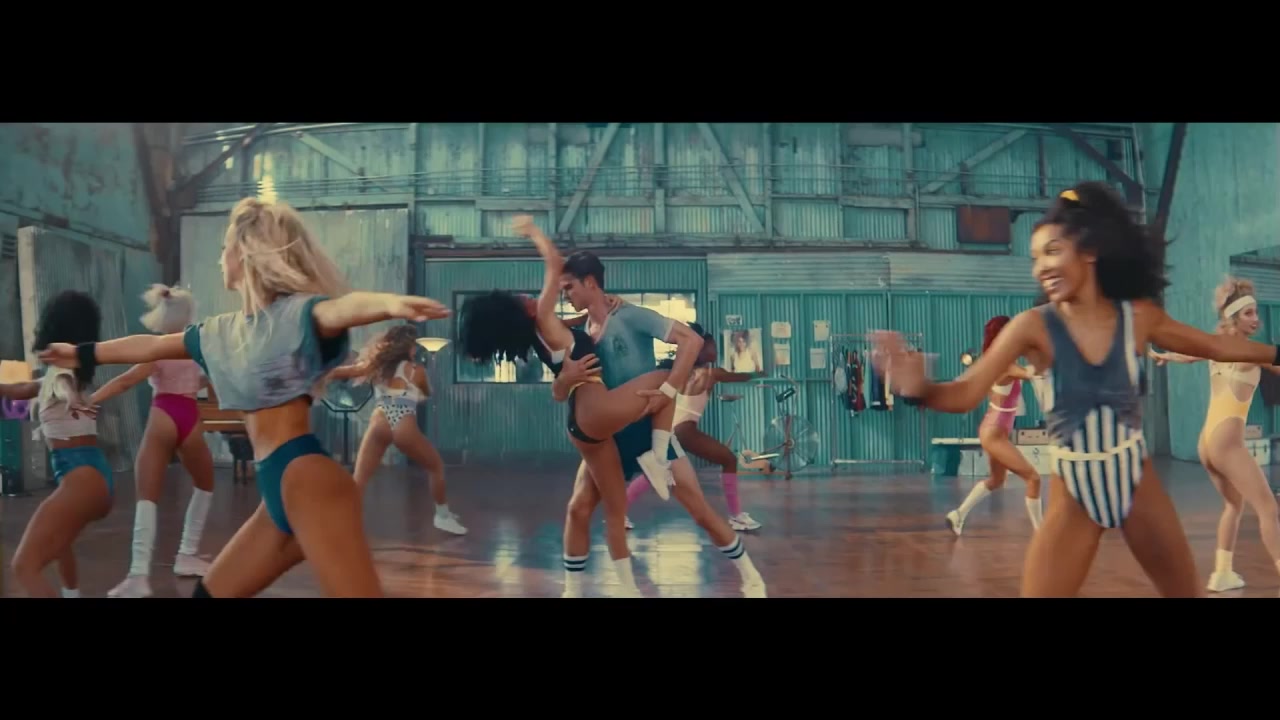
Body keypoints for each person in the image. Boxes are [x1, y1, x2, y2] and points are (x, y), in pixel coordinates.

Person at [870, 181, 1280, 598]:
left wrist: (1276, 353)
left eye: (1052, 251)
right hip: (1073, 497)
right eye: (1035, 258)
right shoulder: (1032, 327)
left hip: (1135, 485)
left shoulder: (1137, 318)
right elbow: (965, 392)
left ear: (1090, 251)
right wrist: (920, 388)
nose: (1040, 268)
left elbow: (1216, 346)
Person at [39, 197, 451, 598]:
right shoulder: (220, 331)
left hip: (307, 479)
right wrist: (82, 353)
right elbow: (150, 346)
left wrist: (389, 304)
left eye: (224, 248)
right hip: (275, 493)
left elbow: (343, 309)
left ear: (244, 254)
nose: (220, 258)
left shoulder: (297, 314)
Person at [456, 216, 690, 595]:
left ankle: (575, 590)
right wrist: (534, 231)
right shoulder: (543, 318)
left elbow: (574, 329)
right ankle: (658, 456)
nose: (529, 297)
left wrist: (606, 308)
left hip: (582, 427)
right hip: (598, 413)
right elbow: (554, 262)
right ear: (520, 311)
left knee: (587, 509)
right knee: (666, 376)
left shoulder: (541, 332)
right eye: (520, 300)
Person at [553, 250, 767, 598]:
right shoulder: (582, 335)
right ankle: (571, 592)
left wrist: (668, 390)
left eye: (569, 288)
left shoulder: (631, 315)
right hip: (608, 441)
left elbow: (691, 341)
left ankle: (752, 577)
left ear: (590, 282)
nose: (565, 295)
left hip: (649, 430)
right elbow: (552, 343)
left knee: (700, 511)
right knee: (577, 510)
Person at [84, 284, 217, 598]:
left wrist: (92, 399)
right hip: (190, 416)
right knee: (205, 484)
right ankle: (187, 553)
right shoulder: (195, 347)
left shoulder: (158, 347)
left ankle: (138, 575)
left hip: (164, 415)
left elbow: (127, 380)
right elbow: (207, 379)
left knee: (147, 495)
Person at [1149, 276, 1280, 592]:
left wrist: (1166, 356)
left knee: (1234, 506)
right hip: (1227, 443)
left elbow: (1188, 353)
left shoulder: (1215, 346)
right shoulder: (1253, 352)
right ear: (1233, 317)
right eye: (1248, 313)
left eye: (1256, 312)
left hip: (1206, 442)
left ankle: (1222, 573)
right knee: (1269, 509)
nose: (1256, 319)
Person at [5, 291, 110, 598]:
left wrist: (72, 398)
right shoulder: (65, 374)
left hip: (82, 477)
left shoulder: (62, 375)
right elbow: (23, 388)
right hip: (93, 476)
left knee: (24, 566)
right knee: (61, 544)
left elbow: (63, 387)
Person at [626, 323, 764, 531]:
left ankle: (617, 512)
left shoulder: (679, 372)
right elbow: (742, 376)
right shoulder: (711, 373)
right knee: (729, 459)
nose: (716, 351)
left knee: (654, 474)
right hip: (684, 431)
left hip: (671, 431)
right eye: (712, 346)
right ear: (700, 349)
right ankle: (736, 516)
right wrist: (759, 373)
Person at [330, 325, 466, 536]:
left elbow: (345, 372)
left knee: (360, 478)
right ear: (409, 347)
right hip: (403, 425)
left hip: (379, 423)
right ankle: (442, 516)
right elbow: (426, 393)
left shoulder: (378, 366)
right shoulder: (416, 370)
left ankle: (344, 521)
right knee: (436, 466)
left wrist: (316, 374)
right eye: (414, 346)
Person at [944, 315, 1043, 535]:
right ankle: (1042, 535)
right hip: (995, 432)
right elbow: (1033, 373)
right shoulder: (1005, 366)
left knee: (997, 480)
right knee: (1033, 478)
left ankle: (958, 515)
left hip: (992, 430)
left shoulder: (992, 361)